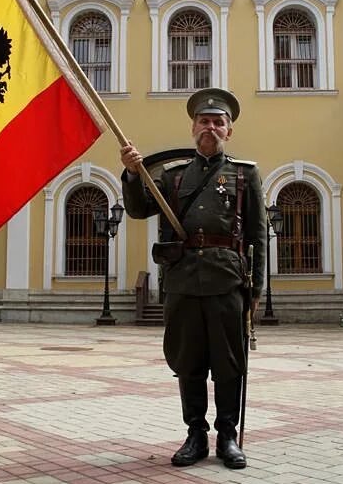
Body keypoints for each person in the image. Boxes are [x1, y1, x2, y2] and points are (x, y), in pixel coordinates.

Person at [120, 88, 266, 470]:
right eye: (205, 121)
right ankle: (195, 435)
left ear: (228, 132)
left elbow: (258, 235)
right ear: (193, 127)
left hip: (227, 281)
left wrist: (257, 290)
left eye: (219, 123)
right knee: (188, 362)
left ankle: (228, 436)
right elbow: (137, 210)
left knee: (230, 363)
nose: (211, 127)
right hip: (182, 281)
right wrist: (133, 175)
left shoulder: (244, 175)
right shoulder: (172, 178)